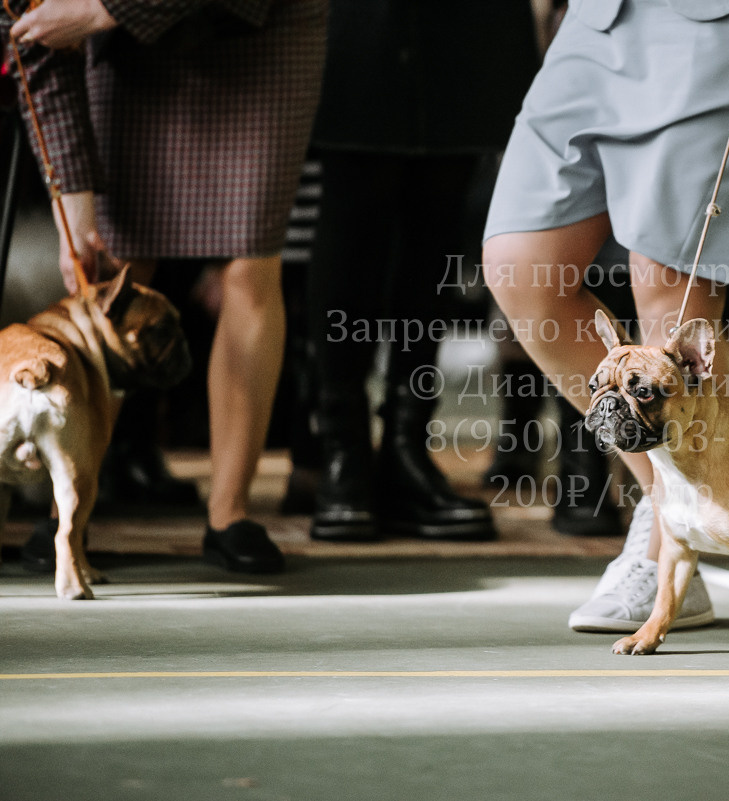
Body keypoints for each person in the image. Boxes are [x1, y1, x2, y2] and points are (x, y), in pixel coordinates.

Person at [483, 0, 729, 631]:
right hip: (597, 19)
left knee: (669, 287)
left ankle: (668, 550)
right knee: (520, 266)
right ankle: (672, 503)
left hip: (718, 21)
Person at [5, 0, 328, 572]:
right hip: (127, 55)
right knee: (115, 267)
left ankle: (230, 514)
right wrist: (72, 202)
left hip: (263, 29)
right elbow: (39, 50)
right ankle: (69, 510)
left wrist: (105, 8)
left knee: (251, 260)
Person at [304, 0, 540, 543]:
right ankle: (343, 451)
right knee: (352, 201)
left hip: (466, 23)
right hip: (359, 21)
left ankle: (407, 449)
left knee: (440, 215)